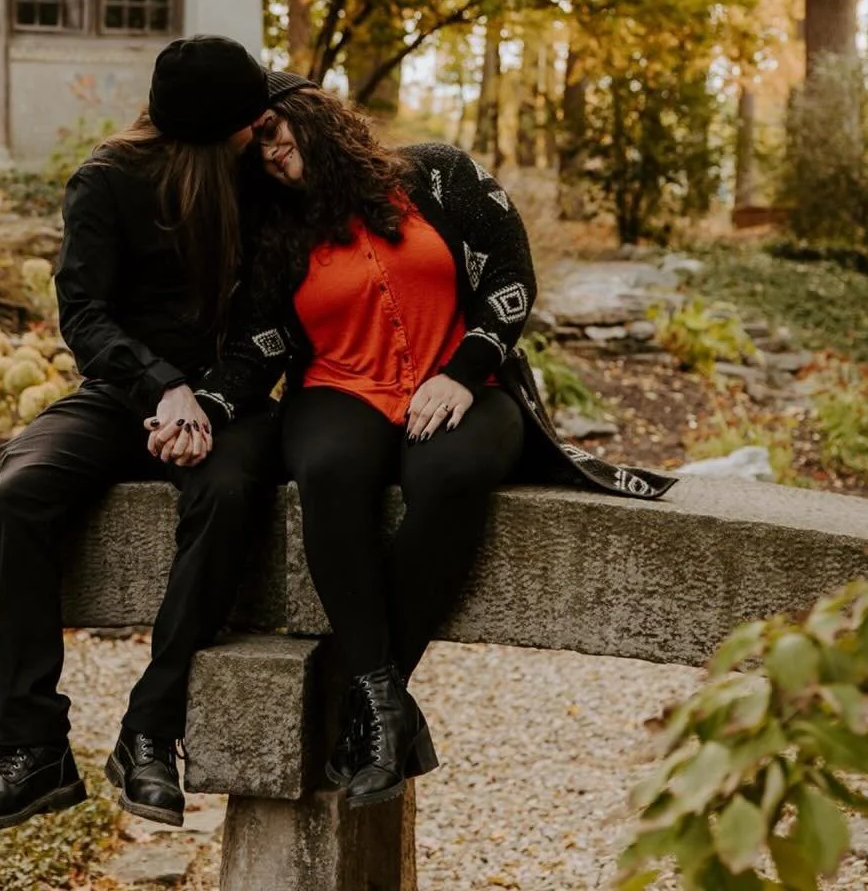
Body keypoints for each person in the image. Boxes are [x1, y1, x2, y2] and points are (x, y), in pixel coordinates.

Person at [195, 74, 673, 810]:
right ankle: (384, 706)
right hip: (340, 387)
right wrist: (203, 403)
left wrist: (462, 370)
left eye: (271, 129)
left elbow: (512, 275)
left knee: (452, 475)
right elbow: (258, 344)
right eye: (254, 148)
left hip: (464, 381)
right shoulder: (275, 228)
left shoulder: (439, 174)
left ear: (313, 114)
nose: (268, 151)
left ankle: (368, 701)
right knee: (326, 471)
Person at [0, 36, 282, 836]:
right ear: (217, 130)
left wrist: (210, 403)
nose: (264, 123)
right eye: (250, 118)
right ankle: (32, 751)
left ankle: (151, 731)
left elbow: (273, 324)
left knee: (231, 494)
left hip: (229, 403)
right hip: (127, 390)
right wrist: (162, 389)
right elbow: (84, 314)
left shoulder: (265, 185)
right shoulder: (107, 180)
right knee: (24, 489)